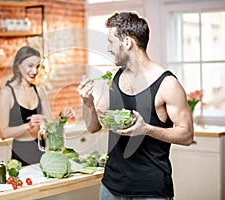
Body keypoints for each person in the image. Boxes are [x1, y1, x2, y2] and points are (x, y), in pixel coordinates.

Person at [77, 12, 194, 199]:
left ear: (127, 43)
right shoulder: (114, 78)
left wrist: (146, 129)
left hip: (150, 190)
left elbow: (187, 135)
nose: (108, 49)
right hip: (111, 187)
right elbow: (93, 127)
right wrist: (88, 103)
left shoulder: (167, 84)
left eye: (110, 42)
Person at [0, 46, 74, 166]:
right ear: (18, 65)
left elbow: (51, 126)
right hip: (20, 153)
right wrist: (28, 126)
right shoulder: (6, 93)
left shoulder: (39, 90)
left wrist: (62, 116)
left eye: (37, 66)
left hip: (41, 152)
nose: (35, 71)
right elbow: (3, 133)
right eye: (30, 66)